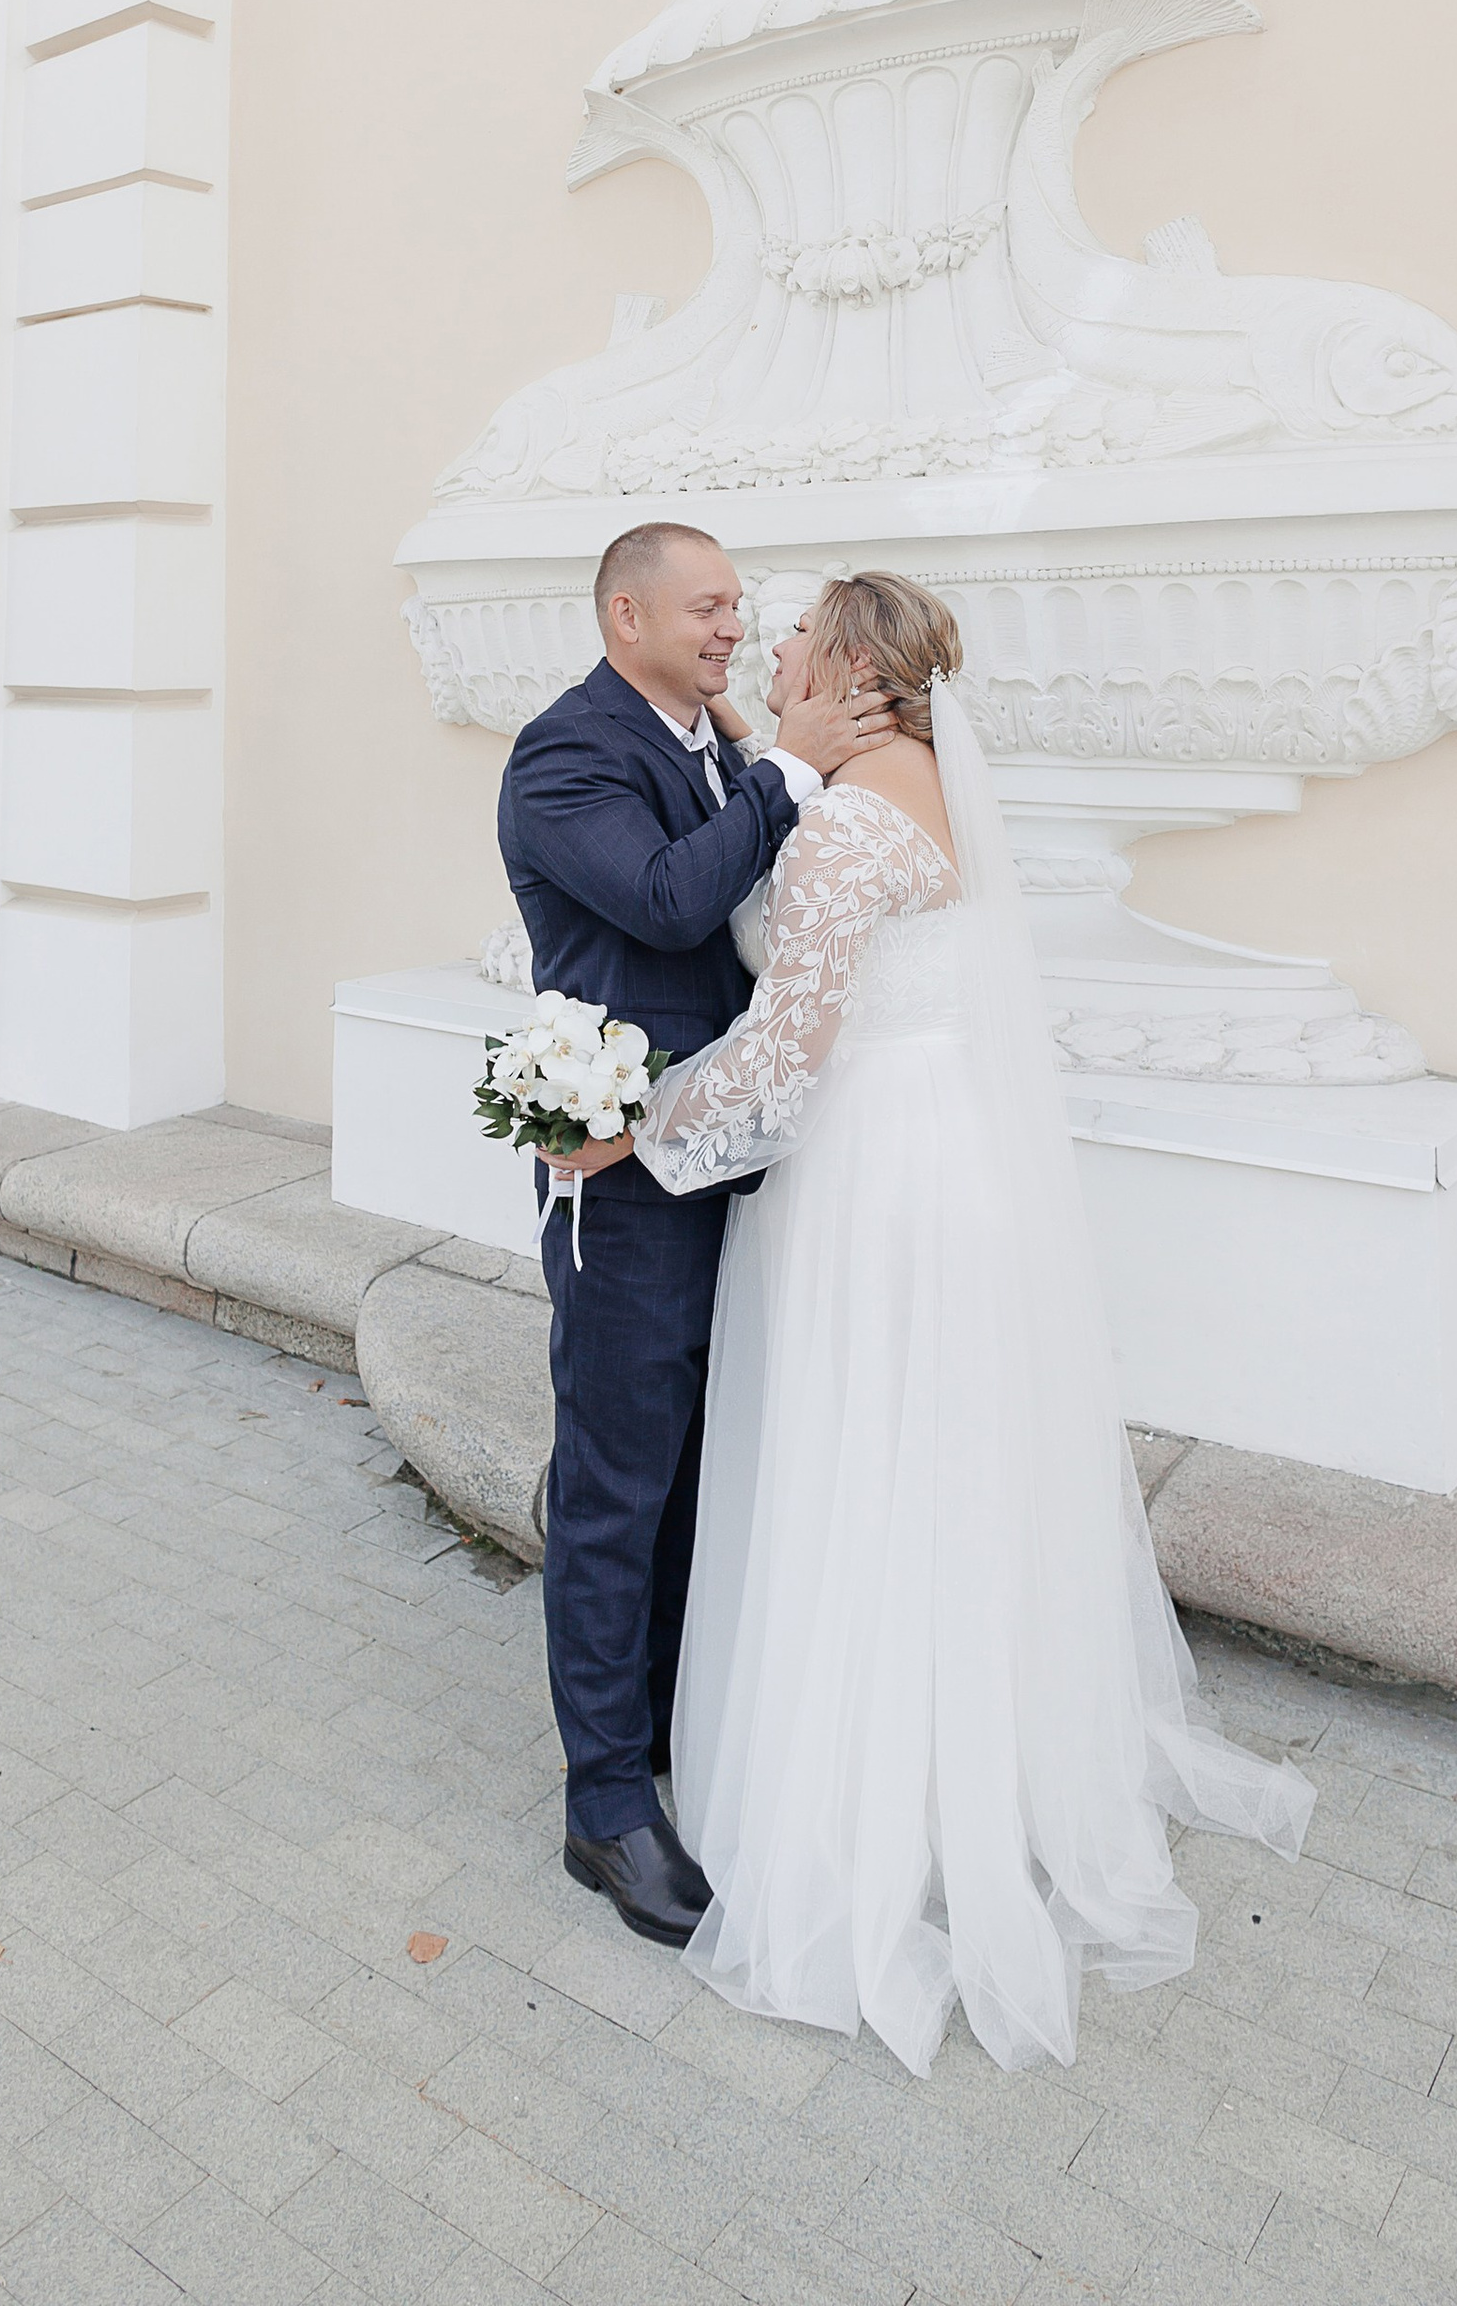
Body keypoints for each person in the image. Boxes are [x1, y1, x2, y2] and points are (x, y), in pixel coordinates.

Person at [547, 569, 1316, 2072]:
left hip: (874, 1181)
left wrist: (626, 1132)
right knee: (938, 1468)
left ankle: (872, 1798)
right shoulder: (920, 792)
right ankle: (985, 1755)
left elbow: (783, 1060)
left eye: (790, 637)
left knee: (871, 1468)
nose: (763, 647)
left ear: (851, 671)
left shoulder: (843, 826)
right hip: (936, 1159)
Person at [496, 522, 895, 1948]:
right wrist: (788, 762)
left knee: (689, 1473)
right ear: (627, 612)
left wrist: (753, 747)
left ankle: (659, 1728)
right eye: (711, 605)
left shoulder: (705, 735)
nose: (737, 626)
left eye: (741, 607)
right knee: (614, 1486)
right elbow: (671, 901)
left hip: (721, 1159)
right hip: (624, 1179)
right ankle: (603, 1807)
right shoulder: (566, 753)